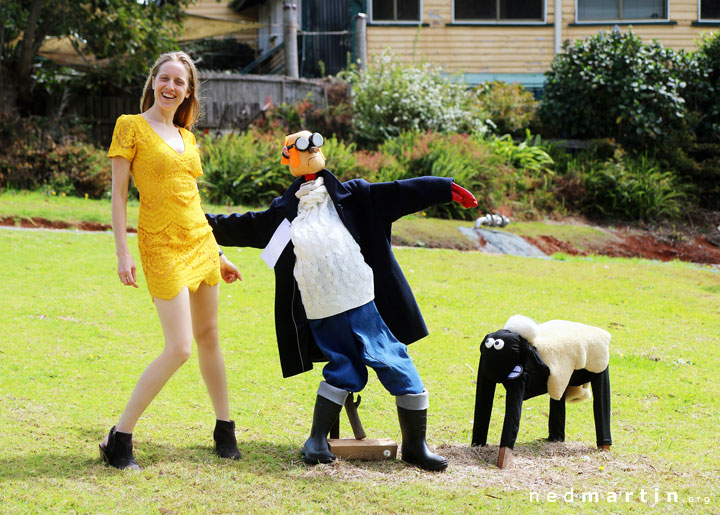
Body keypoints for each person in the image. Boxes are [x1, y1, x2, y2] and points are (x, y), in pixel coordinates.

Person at [205, 130, 478, 471]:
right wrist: (194, 221)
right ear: (287, 158)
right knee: (343, 366)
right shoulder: (283, 211)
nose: (311, 150)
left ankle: (415, 446)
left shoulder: (354, 195)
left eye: (315, 144)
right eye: (300, 146)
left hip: (363, 299)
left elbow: (399, 192)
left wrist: (442, 188)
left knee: (396, 362)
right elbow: (241, 225)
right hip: (321, 308)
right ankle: (317, 438)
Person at [99, 51, 243, 471]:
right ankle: (119, 437)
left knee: (210, 336)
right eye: (165, 78)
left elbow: (192, 201)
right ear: (154, 81)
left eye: (180, 82)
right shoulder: (131, 127)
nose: (171, 87)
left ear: (188, 91)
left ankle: (224, 427)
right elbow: (120, 195)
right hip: (159, 244)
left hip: (198, 241)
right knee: (180, 347)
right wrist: (122, 251)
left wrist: (218, 253)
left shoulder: (188, 136)